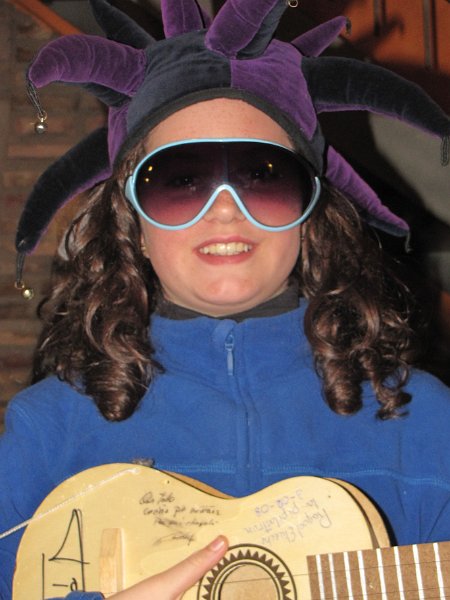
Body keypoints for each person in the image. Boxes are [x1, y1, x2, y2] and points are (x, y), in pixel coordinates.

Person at [2, 0, 450, 598]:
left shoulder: (425, 423)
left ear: (309, 211)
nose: (223, 209)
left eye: (263, 175)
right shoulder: (45, 431)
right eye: (180, 180)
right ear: (133, 223)